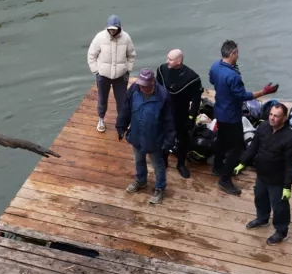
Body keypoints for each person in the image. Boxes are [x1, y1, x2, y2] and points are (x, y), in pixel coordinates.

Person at [208, 40, 278, 196]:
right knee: (236, 148)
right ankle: (224, 180)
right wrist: (264, 92)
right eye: (237, 53)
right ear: (232, 53)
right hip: (232, 116)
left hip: (219, 111)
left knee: (221, 140)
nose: (238, 56)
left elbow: (212, 81)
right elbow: (243, 96)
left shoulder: (215, 66)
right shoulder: (233, 76)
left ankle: (217, 167)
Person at [234, 103, 292, 245]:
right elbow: (253, 147)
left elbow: (291, 165)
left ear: (284, 118)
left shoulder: (291, 137)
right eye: (271, 114)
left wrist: (287, 186)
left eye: (276, 116)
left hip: (278, 179)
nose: (272, 118)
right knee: (260, 198)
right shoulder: (263, 127)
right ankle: (262, 219)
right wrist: (242, 162)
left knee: (280, 207)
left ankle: (281, 231)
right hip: (262, 174)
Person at [117, 68, 177, 205]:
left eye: (146, 85)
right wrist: (121, 126)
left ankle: (160, 188)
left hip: (154, 138)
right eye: (141, 85)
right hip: (137, 134)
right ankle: (141, 180)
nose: (143, 88)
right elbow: (126, 109)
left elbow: (169, 121)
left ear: (153, 82)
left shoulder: (163, 96)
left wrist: (169, 142)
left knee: (158, 164)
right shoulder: (134, 89)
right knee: (138, 159)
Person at [156, 49, 204, 179]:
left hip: (181, 113)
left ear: (179, 61)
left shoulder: (192, 78)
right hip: (165, 111)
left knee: (183, 140)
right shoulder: (162, 70)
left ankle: (181, 164)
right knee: (163, 137)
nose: (167, 61)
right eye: (167, 58)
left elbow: (196, 100)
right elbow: (157, 90)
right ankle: (163, 159)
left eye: (170, 59)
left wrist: (191, 117)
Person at [87, 15, 137, 133]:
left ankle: (122, 121)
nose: (112, 31)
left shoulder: (126, 38)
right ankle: (101, 119)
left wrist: (128, 70)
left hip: (121, 76)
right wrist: (96, 71)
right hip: (103, 76)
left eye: (114, 29)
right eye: (110, 29)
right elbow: (91, 55)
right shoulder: (100, 37)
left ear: (119, 27)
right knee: (102, 99)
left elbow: (131, 56)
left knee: (122, 100)